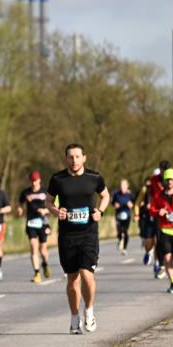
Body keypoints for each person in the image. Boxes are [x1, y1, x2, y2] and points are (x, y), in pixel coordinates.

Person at [46, 143, 109, 334]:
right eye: (70, 157)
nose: (74, 160)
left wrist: (100, 211)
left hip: (88, 233)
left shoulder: (94, 177)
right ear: (66, 159)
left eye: (77, 157)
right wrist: (57, 211)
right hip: (67, 235)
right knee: (72, 278)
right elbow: (48, 201)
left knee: (87, 275)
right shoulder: (58, 179)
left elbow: (105, 196)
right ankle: (74, 316)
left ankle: (89, 311)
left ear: (84, 158)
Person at [17, 171, 52, 283]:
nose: (34, 183)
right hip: (31, 222)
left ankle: (45, 264)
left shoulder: (45, 191)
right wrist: (20, 209)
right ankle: (37, 273)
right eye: (32, 181)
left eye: (36, 181)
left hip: (43, 222)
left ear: (39, 180)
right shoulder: (26, 192)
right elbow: (20, 204)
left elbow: (53, 205)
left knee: (43, 249)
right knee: (33, 246)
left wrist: (45, 210)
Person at [135, 171, 163, 276]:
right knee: (148, 242)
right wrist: (137, 214)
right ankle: (147, 252)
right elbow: (137, 203)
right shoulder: (146, 189)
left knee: (157, 242)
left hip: (159, 219)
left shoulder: (164, 189)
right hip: (148, 218)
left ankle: (156, 263)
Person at [112, 178, 135, 256]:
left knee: (125, 232)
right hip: (118, 215)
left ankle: (124, 248)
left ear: (127, 186)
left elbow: (134, 203)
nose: (122, 187)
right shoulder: (116, 194)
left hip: (127, 215)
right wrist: (115, 205)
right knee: (119, 232)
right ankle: (119, 239)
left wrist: (131, 205)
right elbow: (112, 202)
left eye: (124, 185)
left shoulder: (130, 195)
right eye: (121, 185)